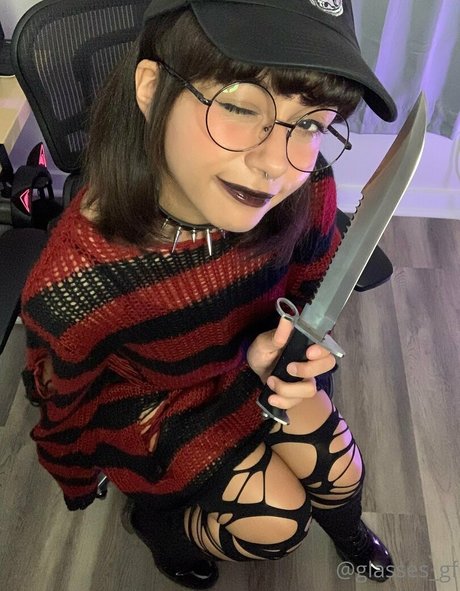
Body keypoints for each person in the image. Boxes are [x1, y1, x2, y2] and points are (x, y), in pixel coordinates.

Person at [20, 1, 398, 588]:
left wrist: (286, 345)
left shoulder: (306, 186)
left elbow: (310, 285)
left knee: (341, 471)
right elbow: (63, 406)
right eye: (240, 106)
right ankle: (162, 531)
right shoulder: (78, 284)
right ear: (152, 89)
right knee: (277, 524)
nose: (275, 164)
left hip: (252, 364)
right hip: (157, 402)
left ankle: (347, 531)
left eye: (310, 124)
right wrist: (77, 483)